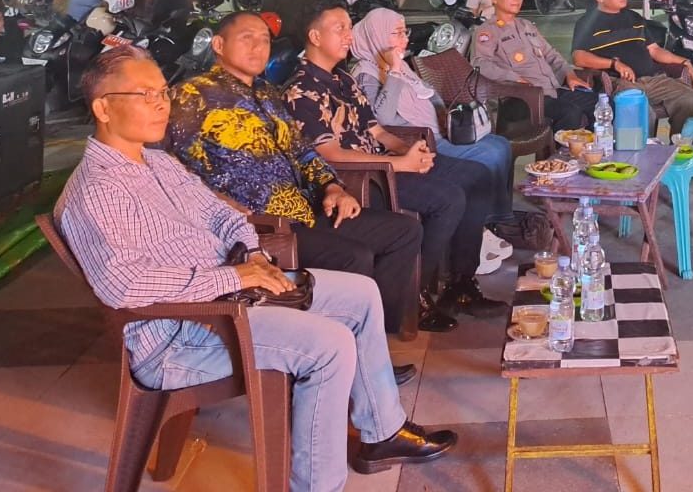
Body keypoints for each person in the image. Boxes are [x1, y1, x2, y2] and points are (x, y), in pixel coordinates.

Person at [58, 46, 455, 487]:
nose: (160, 104)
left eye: (163, 92)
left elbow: (223, 214)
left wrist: (252, 255)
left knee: (360, 295)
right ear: (103, 107)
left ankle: (381, 432)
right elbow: (123, 285)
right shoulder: (95, 191)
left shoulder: (158, 163)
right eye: (143, 93)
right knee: (330, 345)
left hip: (229, 297)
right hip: (180, 335)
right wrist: (231, 277)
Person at [165, 12, 425, 334]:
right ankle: (343, 349)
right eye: (247, 38)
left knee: (403, 231)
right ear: (219, 44)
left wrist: (332, 186)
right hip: (260, 226)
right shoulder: (193, 96)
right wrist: (218, 203)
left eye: (264, 40)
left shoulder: (267, 93)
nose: (259, 47)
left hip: (306, 208)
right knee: (353, 257)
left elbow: (303, 150)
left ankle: (375, 340)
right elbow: (172, 169)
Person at [288, 4, 509, 325]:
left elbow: (377, 129)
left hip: (385, 164)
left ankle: (461, 284)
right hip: (356, 180)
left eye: (350, 27)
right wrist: (397, 164)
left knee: (475, 176)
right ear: (314, 36)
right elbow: (330, 154)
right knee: (448, 199)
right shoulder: (302, 89)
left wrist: (408, 149)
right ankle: (416, 294)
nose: (348, 35)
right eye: (339, 28)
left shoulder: (343, 80)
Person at [349, 8, 518, 221]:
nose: (404, 39)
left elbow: (426, 90)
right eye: (397, 33)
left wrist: (443, 113)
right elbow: (380, 118)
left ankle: (496, 215)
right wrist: (393, 71)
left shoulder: (398, 65)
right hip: (418, 139)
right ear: (377, 35)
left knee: (501, 144)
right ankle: (488, 220)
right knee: (490, 154)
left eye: (405, 32)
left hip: (438, 129)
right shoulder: (367, 73)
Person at [572, 0, 693, 135]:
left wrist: (684, 61)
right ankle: (645, 155)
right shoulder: (587, 22)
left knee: (688, 98)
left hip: (654, 79)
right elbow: (578, 57)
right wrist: (614, 64)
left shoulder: (635, 17)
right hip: (621, 82)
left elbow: (654, 50)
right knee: (643, 110)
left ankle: (680, 150)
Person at [473, 0, 598, 131]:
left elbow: (550, 54)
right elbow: (481, 64)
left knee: (598, 102)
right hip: (521, 98)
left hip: (551, 89)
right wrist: (515, 79)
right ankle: (563, 155)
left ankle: (595, 151)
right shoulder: (488, 31)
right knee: (570, 112)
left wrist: (569, 73)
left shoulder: (527, 26)